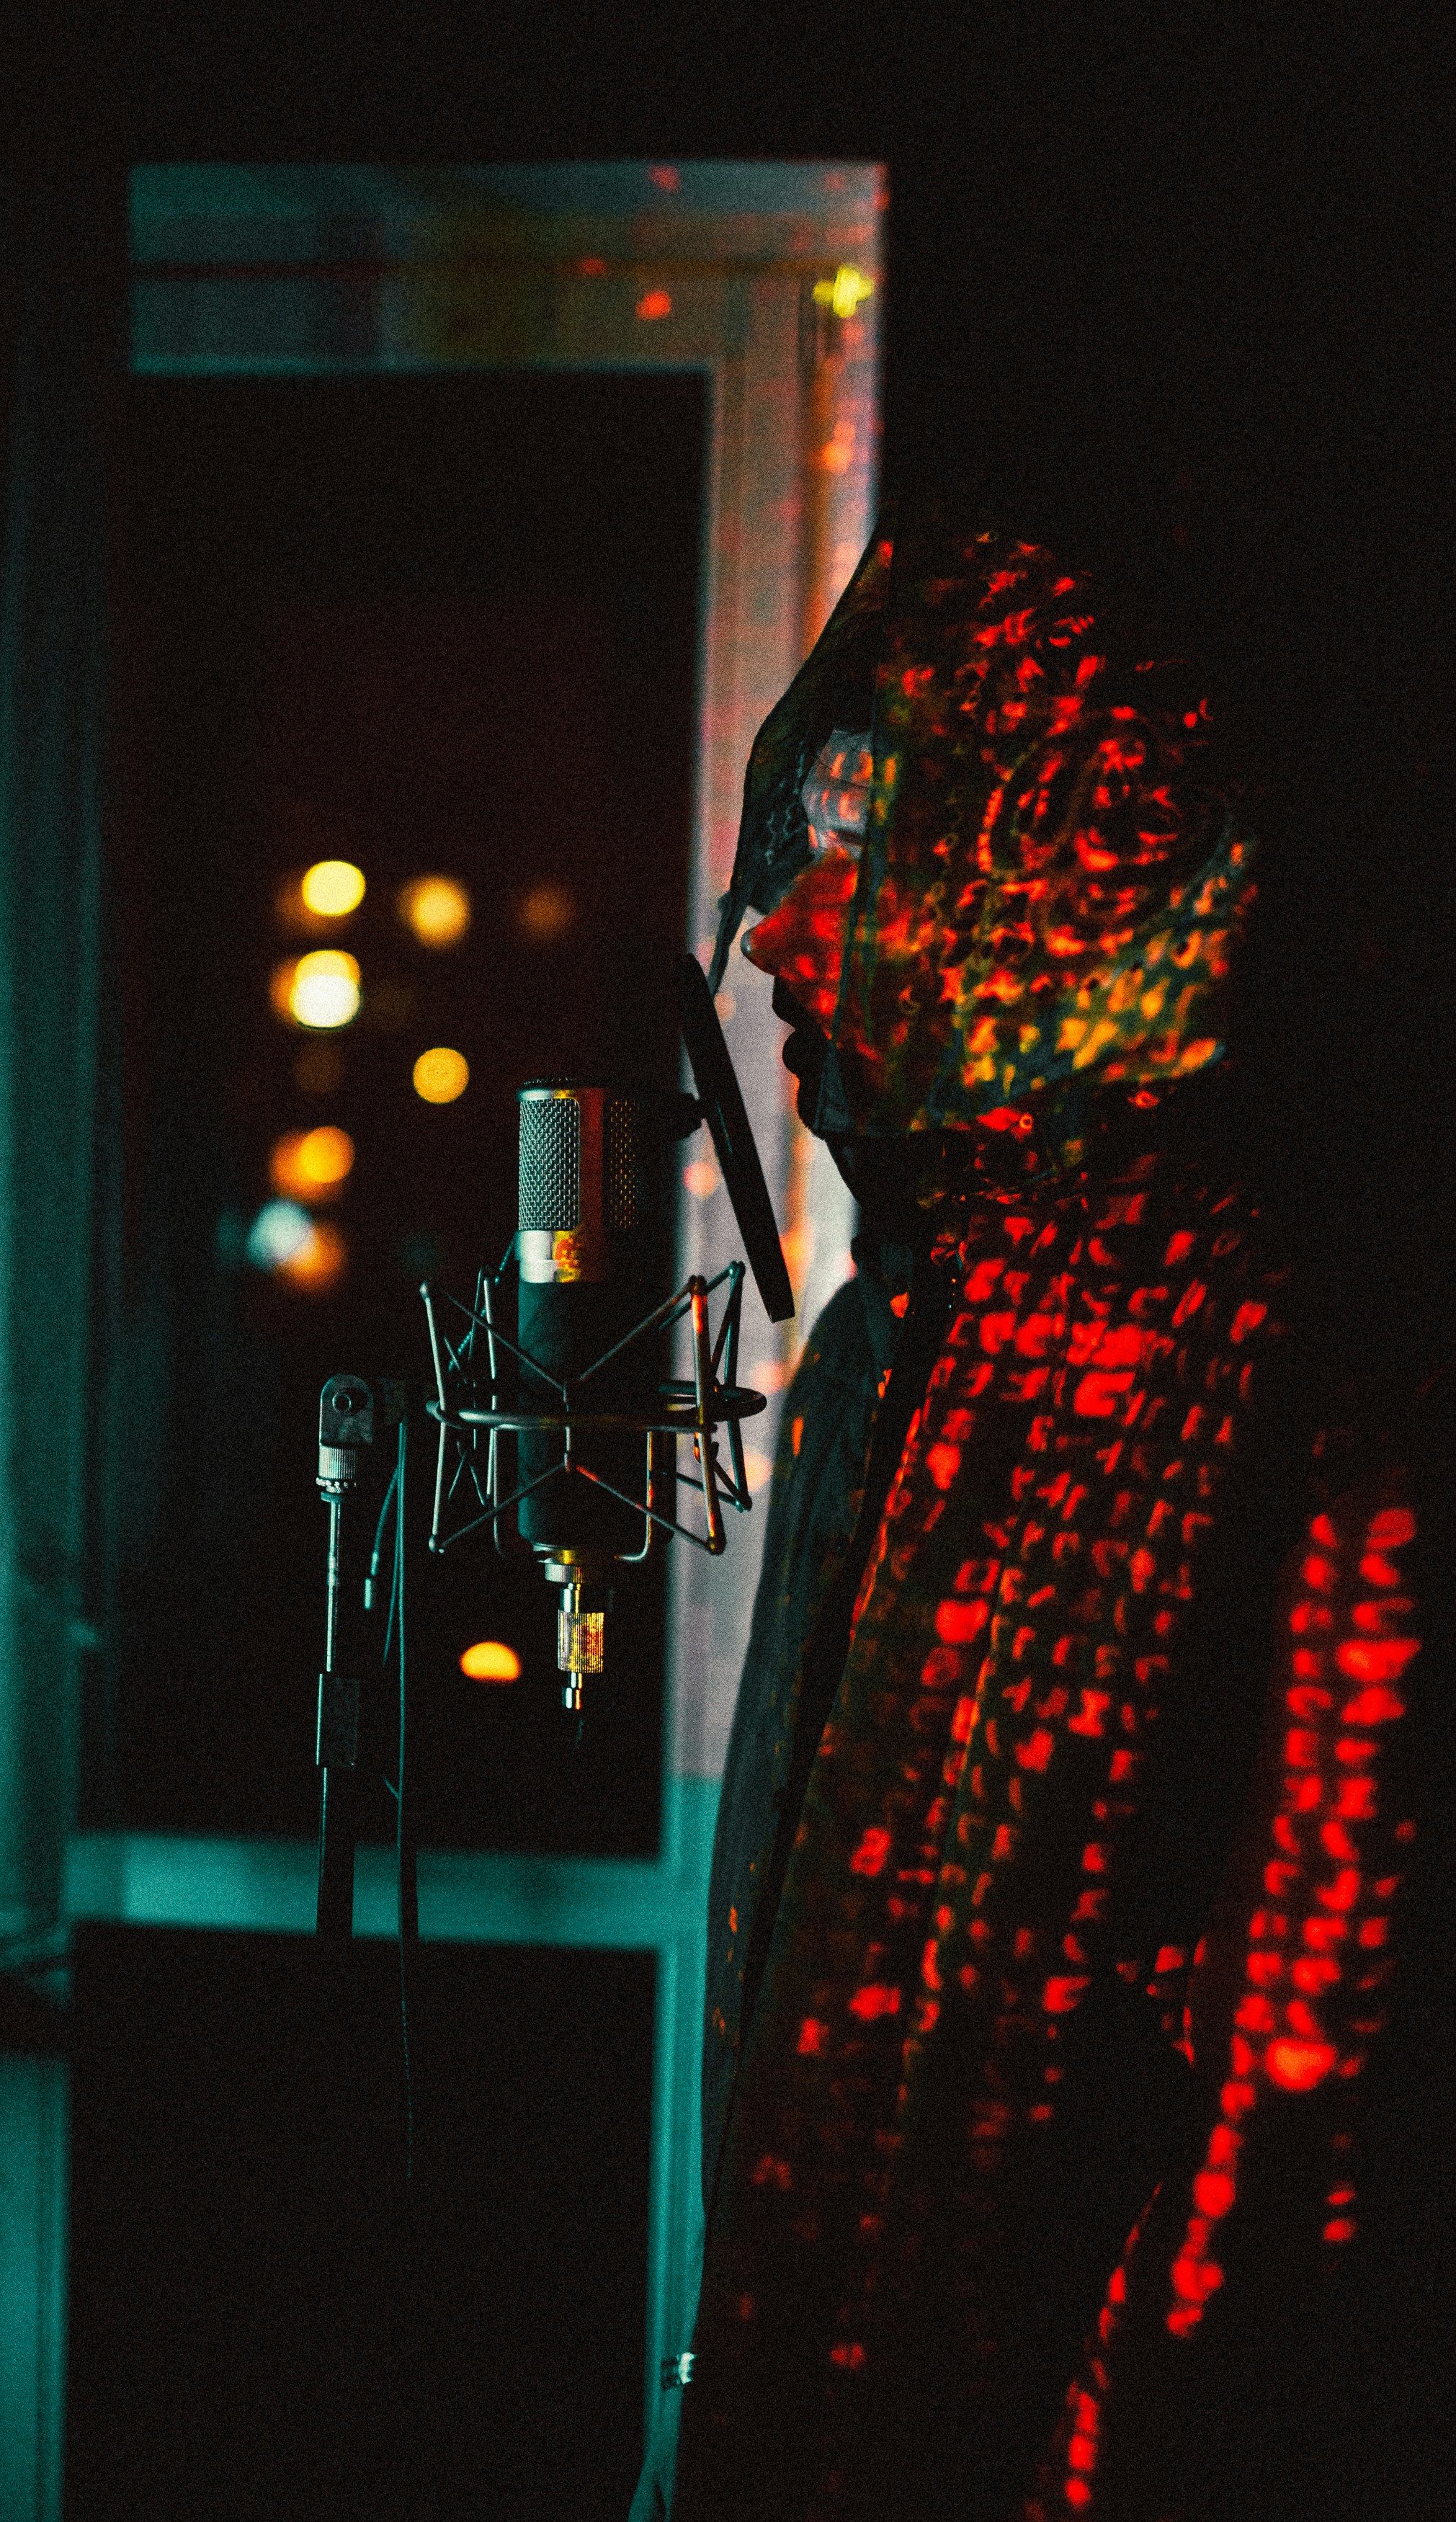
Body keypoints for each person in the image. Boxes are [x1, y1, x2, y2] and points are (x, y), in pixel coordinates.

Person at [633, 522, 1452, 2520]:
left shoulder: (1292, 1379)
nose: (780, 935)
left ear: (1063, 889)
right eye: (801, 855)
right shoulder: (893, 1348)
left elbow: (1294, 2119)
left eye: (866, 860)